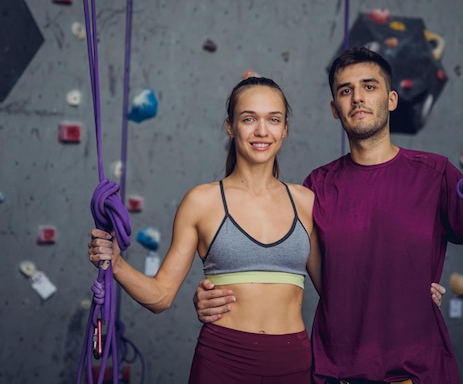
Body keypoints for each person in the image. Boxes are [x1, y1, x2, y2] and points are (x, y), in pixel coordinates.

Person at [194, 46, 463, 384]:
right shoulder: (317, 188)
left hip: (416, 373)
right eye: (345, 90)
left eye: (369, 87)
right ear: (335, 109)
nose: (357, 98)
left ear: (392, 99)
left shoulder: (434, 174)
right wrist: (213, 293)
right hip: (337, 374)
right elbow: (275, 264)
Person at [88, 77, 319, 384]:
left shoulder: (306, 202)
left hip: (292, 362)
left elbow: (337, 293)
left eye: (273, 120)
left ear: (285, 129)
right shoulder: (202, 201)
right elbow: (160, 296)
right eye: (248, 119)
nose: (262, 131)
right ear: (230, 127)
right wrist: (116, 263)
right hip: (222, 361)